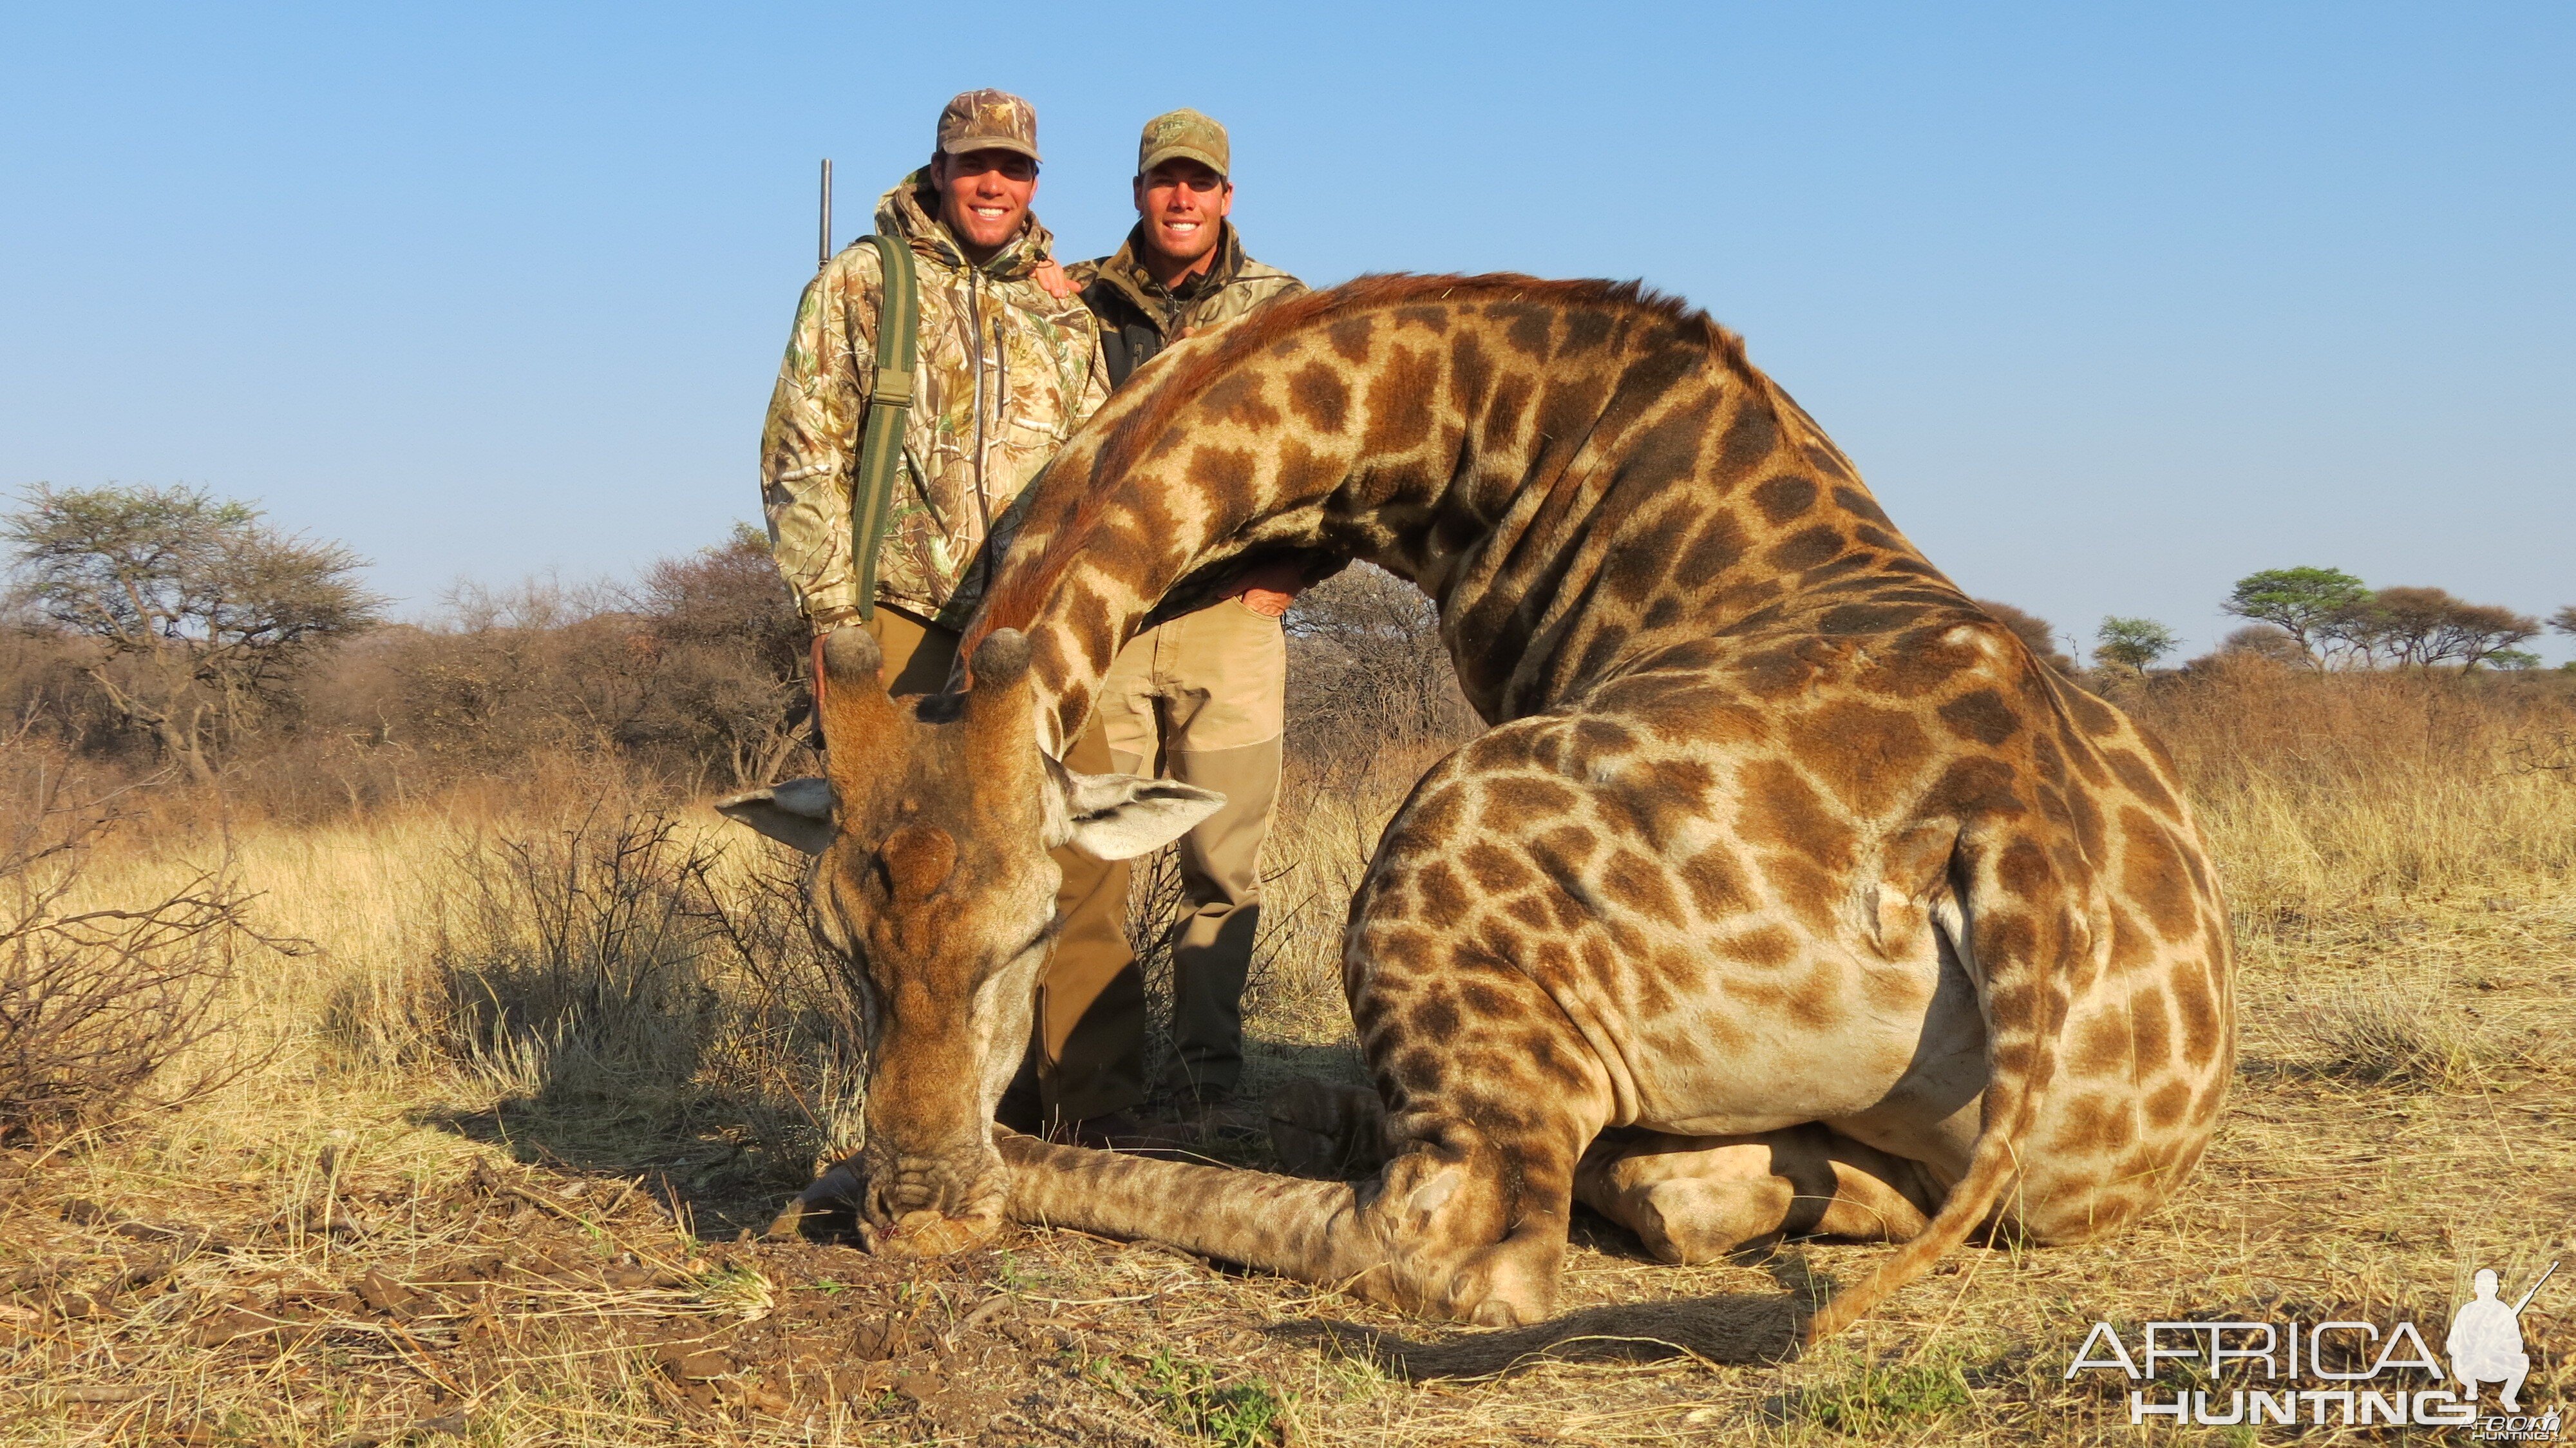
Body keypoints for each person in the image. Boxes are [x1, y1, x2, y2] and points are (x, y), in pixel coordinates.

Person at [758, 89, 1158, 1148]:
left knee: (1079, 859)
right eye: (974, 164)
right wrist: (831, 623)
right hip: (896, 615)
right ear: (938, 169)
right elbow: (803, 452)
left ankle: (1085, 1113)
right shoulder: (859, 281)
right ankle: (908, 1117)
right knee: (903, 883)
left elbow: (1093, 480)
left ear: (1035, 180)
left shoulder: (1060, 307)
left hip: (1031, 638)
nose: (993, 184)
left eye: (1013, 168)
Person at [1068, 110, 1308, 1135]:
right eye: (1165, 181)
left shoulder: (1286, 308)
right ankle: (1095, 1088)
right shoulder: (1073, 298)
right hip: (1110, 628)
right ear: (1138, 192)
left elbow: (1334, 451)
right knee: (1091, 869)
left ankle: (1211, 1082)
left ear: (1227, 198)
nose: (1182, 198)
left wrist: (1287, 576)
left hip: (1230, 624)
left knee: (1221, 865)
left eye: (1201, 183)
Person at [2448, 1268, 2532, 1412]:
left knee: (2523, 1361)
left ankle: (2508, 1397)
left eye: (2490, 1286)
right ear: (2476, 1288)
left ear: (2496, 1288)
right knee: (2457, 1360)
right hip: (2470, 1360)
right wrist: (2468, 1349)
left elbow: (2517, 1344)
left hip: (2496, 1361)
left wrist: (2499, 1346)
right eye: (2482, 1286)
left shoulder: (2504, 1311)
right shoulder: (2467, 1310)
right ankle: (2471, 1387)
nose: (2486, 1290)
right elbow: (2453, 1342)